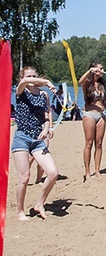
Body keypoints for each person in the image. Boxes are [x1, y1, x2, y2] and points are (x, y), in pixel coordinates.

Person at [12, 67, 59, 220]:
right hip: (22, 138)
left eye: (34, 76)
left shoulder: (43, 95)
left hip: (38, 139)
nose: (31, 78)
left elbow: (46, 116)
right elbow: (25, 82)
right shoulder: (21, 91)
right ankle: (20, 211)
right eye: (29, 76)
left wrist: (47, 128)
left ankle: (39, 203)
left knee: (52, 173)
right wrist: (46, 81)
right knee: (24, 177)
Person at [79, 62, 106, 181]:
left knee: (99, 144)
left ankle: (97, 170)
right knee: (88, 143)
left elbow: (105, 102)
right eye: (99, 69)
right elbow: (80, 81)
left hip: (101, 116)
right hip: (89, 115)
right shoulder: (87, 84)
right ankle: (87, 172)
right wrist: (90, 71)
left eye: (102, 69)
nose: (101, 71)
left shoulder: (102, 85)